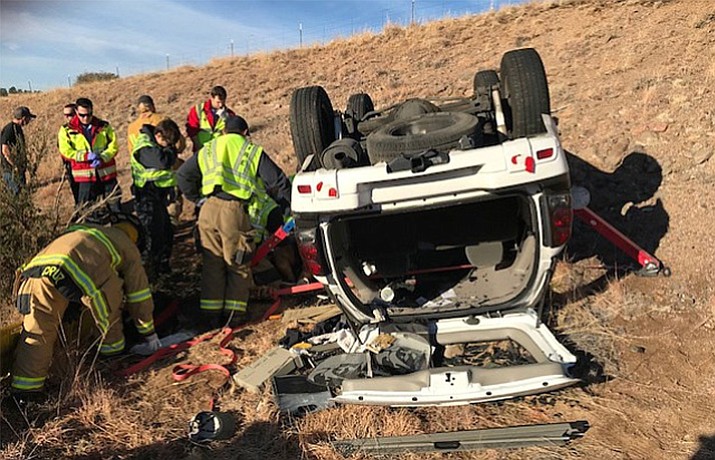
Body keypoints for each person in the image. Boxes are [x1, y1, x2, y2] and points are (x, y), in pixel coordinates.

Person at [10, 215, 160, 399]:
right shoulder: (127, 244)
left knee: (38, 331)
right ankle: (112, 355)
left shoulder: (86, 229)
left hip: (34, 274)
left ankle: (25, 392)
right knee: (109, 303)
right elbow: (139, 294)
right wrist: (148, 333)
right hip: (74, 270)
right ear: (137, 238)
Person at [177, 116, 291, 328]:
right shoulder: (250, 150)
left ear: (223, 131)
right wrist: (291, 210)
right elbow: (278, 182)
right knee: (238, 262)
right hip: (233, 209)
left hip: (207, 210)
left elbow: (183, 176)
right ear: (246, 132)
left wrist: (198, 199)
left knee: (213, 263)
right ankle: (235, 316)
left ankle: (211, 317)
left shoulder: (209, 148)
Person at [130, 118, 183, 278]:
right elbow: (163, 162)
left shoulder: (156, 144)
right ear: (158, 135)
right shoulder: (145, 147)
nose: (169, 146)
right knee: (153, 239)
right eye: (167, 143)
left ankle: (163, 270)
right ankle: (149, 276)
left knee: (166, 233)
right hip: (146, 198)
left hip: (158, 197)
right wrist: (171, 153)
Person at [128, 94, 185, 226]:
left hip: (143, 180)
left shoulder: (132, 127)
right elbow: (180, 145)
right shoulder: (162, 120)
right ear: (152, 106)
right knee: (171, 209)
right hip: (166, 174)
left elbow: (132, 151)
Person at [58, 98, 120, 212]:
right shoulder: (66, 130)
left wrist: (103, 157)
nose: (86, 118)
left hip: (106, 173)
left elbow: (114, 146)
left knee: (115, 206)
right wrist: (85, 156)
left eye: (89, 114)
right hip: (85, 176)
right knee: (86, 210)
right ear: (76, 112)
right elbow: (65, 151)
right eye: (82, 115)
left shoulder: (104, 126)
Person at [186, 85, 236, 154]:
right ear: (212, 98)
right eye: (218, 102)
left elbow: (232, 135)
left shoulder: (230, 114)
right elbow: (192, 131)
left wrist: (226, 120)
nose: (221, 105)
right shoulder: (198, 111)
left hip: (220, 152)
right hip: (201, 150)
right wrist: (199, 149)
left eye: (223, 102)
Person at [1, 106, 36, 194]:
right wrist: (14, 165)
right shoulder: (10, 129)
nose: (29, 121)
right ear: (23, 118)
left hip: (17, 169)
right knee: (16, 194)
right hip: (10, 170)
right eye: (28, 118)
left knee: (22, 193)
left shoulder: (17, 128)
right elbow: (5, 150)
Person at [59, 103, 80, 204]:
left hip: (85, 165)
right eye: (65, 115)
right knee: (76, 191)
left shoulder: (84, 128)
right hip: (70, 166)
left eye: (70, 114)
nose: (67, 117)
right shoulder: (64, 130)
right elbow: (63, 149)